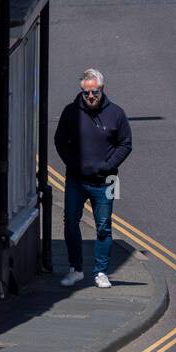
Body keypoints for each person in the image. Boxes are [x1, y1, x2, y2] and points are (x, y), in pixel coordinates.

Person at [54, 69, 132, 289]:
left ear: (102, 90)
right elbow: (60, 141)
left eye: (94, 92)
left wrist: (108, 165)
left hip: (106, 181)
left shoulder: (116, 113)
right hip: (76, 180)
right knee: (70, 222)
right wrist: (73, 163)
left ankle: (101, 272)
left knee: (104, 227)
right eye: (86, 92)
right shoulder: (70, 112)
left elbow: (125, 144)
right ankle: (75, 269)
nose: (90, 96)